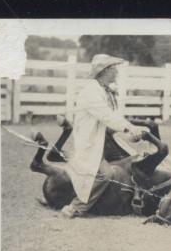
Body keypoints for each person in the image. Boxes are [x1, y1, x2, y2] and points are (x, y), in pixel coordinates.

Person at [60, 54, 149, 218]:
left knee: (134, 161)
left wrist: (132, 130)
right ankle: (75, 207)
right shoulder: (91, 92)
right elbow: (107, 116)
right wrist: (129, 128)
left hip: (104, 140)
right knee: (105, 174)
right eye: (114, 68)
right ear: (106, 70)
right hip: (90, 142)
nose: (116, 72)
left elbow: (112, 120)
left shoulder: (102, 90)